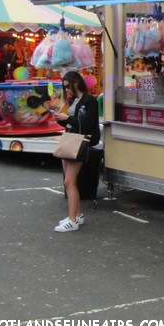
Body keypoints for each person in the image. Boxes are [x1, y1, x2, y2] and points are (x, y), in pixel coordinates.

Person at [53, 71, 100, 233]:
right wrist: (62, 121)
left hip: (78, 142)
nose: (67, 90)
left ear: (76, 83)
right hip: (70, 140)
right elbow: (74, 124)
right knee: (69, 181)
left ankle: (72, 219)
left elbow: (86, 124)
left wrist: (67, 119)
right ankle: (77, 214)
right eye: (64, 87)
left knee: (69, 182)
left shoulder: (89, 101)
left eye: (68, 86)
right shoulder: (75, 101)